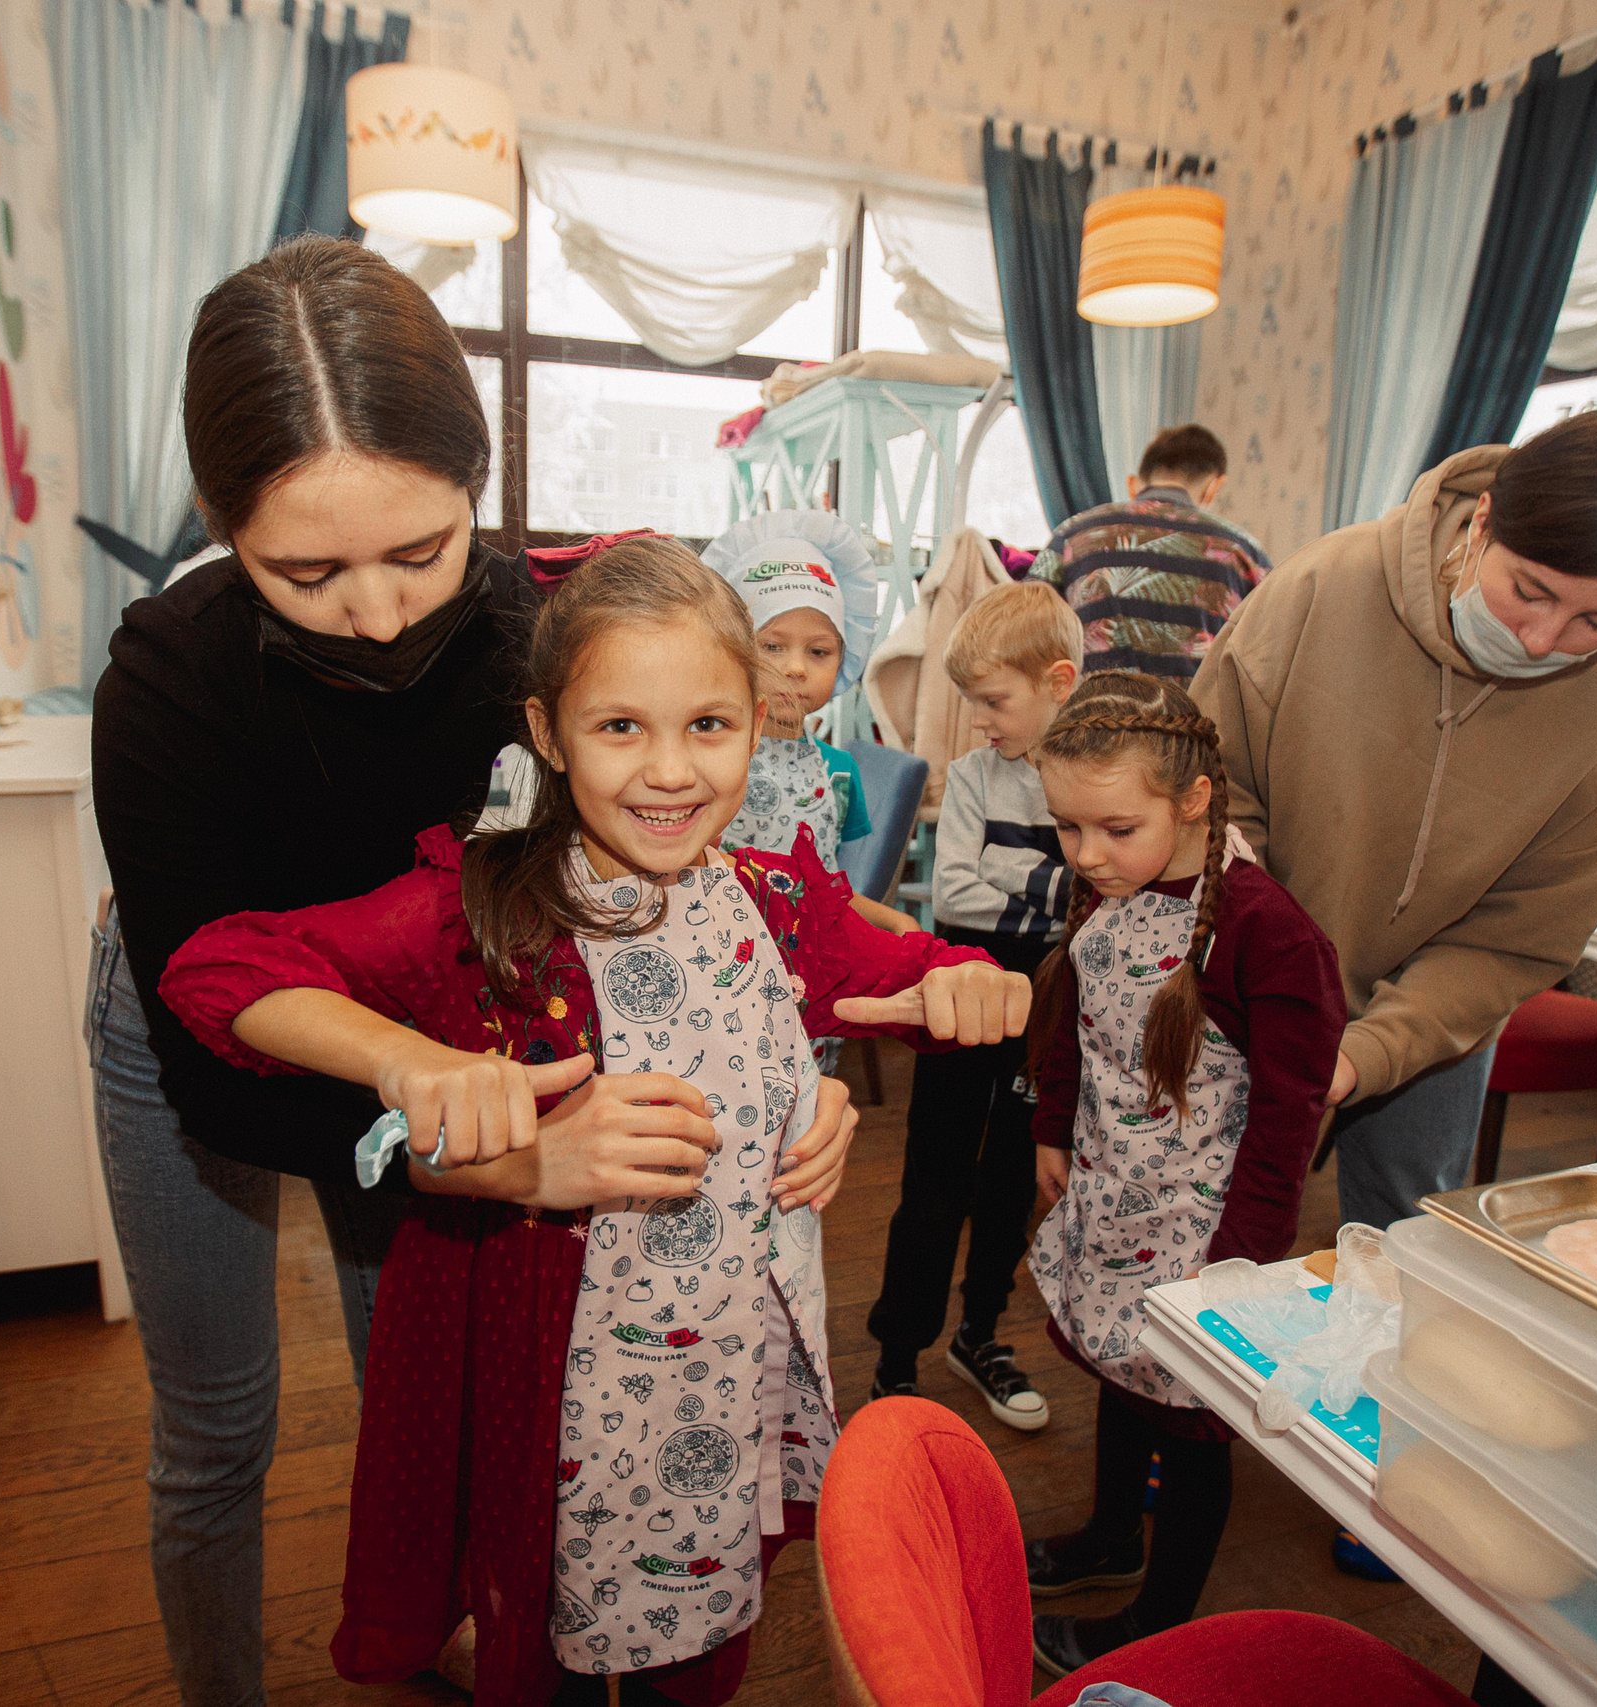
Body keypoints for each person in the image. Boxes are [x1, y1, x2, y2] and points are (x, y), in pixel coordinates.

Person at [87, 237, 859, 1707]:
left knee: (423, 1389)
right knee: (216, 1424)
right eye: (307, 571)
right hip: (213, 1045)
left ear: (477, 488)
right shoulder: (167, 675)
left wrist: (796, 1086)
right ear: (221, 524)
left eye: (420, 552)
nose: (379, 615)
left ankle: (453, 1621)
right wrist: (465, 1141)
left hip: (452, 1034)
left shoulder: (541, 639)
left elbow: (680, 918)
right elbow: (216, 1044)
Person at [157, 539, 1033, 1707]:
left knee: (701, 1624)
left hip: (728, 1365)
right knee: (548, 1626)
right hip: (550, 1376)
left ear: (758, 721)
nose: (669, 771)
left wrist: (972, 985)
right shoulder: (474, 911)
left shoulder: (778, 899)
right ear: (549, 732)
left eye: (708, 725)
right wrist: (412, 1062)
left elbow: (917, 977)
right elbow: (219, 970)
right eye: (621, 726)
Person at [1191, 403, 1597, 1234]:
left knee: (1410, 1229)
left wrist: (1369, 1051)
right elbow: (1215, 792)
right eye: (1530, 590)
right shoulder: (1324, 586)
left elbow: (1518, 935)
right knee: (1206, 1213)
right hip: (1246, 971)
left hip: (1442, 1016)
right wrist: (1276, 981)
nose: (1543, 638)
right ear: (1484, 520)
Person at [1017, 673, 1345, 1676]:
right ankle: (1112, 1534)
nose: (1085, 855)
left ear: (1194, 800)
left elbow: (1288, 1118)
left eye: (1114, 828)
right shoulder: (1115, 882)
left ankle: (1158, 1621)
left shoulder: (1268, 932)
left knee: (1191, 1420)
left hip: (1204, 1235)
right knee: (1121, 1371)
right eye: (1068, 827)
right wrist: (1054, 1126)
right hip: (1114, 1195)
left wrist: (1239, 1264)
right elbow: (1073, 1017)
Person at [865, 580, 1083, 1427]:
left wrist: (1013, 871)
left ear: (1058, 682)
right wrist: (1058, 886)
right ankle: (896, 1358)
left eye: (995, 701)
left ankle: (980, 1333)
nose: (980, 720)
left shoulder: (1091, 781)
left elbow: (1099, 897)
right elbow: (955, 895)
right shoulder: (969, 779)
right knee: (935, 1181)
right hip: (962, 993)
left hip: (1049, 1001)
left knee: (1012, 1181)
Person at [703, 511, 916, 935]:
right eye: (772, 646)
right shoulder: (703, 759)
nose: (796, 668)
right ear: (731, 652)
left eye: (818, 652)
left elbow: (825, 891)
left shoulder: (840, 774)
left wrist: (896, 921)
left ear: (844, 658)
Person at [1031, 424, 1272, 679]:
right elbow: (1269, 654)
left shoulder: (1072, 534)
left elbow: (1024, 627)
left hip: (1092, 702)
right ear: (1213, 487)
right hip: (1196, 705)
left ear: (1134, 484)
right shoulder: (1244, 552)